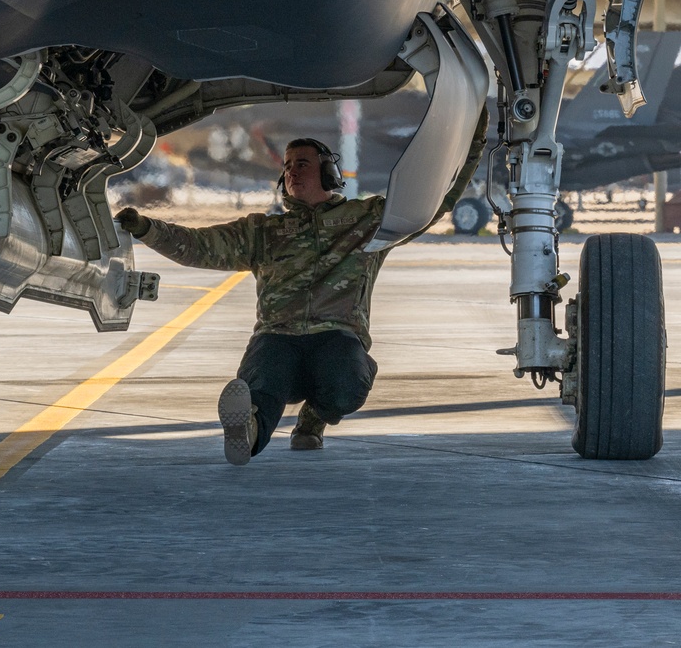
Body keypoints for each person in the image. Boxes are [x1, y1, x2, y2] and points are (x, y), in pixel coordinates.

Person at [115, 107, 488, 465]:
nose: (292, 172)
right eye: (288, 167)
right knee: (262, 387)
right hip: (277, 337)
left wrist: (472, 137)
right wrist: (148, 229)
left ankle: (314, 418)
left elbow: (435, 200)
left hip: (337, 337)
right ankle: (247, 434)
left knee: (347, 385)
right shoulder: (264, 231)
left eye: (302, 164)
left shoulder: (367, 221)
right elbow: (198, 246)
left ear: (328, 173)